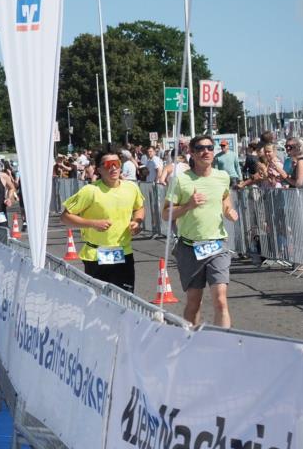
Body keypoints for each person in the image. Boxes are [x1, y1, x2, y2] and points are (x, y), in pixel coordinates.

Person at [161, 135, 239, 328]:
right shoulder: (180, 180)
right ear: (192, 153)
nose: (206, 151)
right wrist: (188, 205)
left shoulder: (222, 176)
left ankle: (223, 341)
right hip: (190, 247)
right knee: (194, 302)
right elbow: (165, 214)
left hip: (217, 245)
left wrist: (229, 211)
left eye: (210, 148)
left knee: (220, 300)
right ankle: (190, 339)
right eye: (200, 148)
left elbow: (225, 199)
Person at [60, 149, 145, 293]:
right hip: (96, 254)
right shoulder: (90, 190)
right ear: (99, 169)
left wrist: (137, 221)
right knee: (100, 301)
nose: (113, 168)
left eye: (116, 163)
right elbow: (65, 217)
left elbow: (139, 207)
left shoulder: (131, 188)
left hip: (123, 252)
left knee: (126, 299)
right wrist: (93, 224)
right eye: (108, 164)